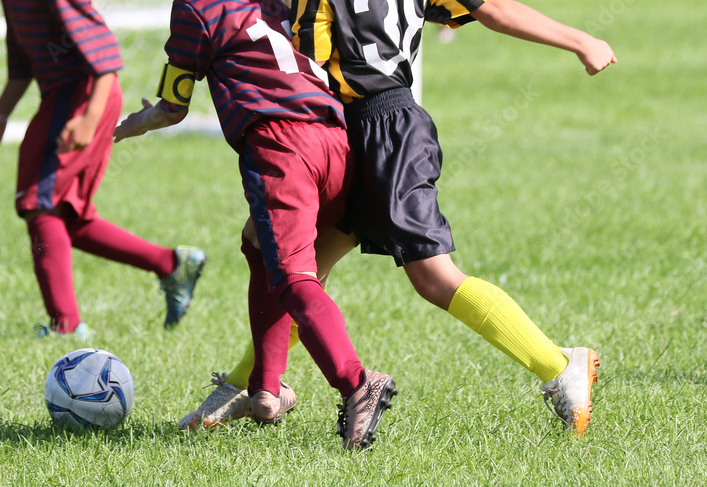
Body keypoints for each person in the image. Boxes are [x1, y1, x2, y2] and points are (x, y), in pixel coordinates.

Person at [179, 0, 615, 438]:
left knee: (432, 277)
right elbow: (494, 9)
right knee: (291, 262)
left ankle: (560, 365)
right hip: (350, 131)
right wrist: (580, 40)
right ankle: (252, 384)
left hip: (385, 131)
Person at [114, 0, 395, 450]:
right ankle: (266, 390)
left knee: (293, 279)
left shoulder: (194, 7)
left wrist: (131, 125)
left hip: (281, 146)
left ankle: (357, 384)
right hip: (337, 138)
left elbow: (172, 106)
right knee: (257, 245)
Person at [0, 0, 206, 341]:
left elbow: (104, 53)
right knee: (67, 215)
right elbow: (21, 65)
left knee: (40, 202)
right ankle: (171, 264)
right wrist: (0, 115)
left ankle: (66, 327)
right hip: (64, 96)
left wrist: (89, 116)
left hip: (86, 94)